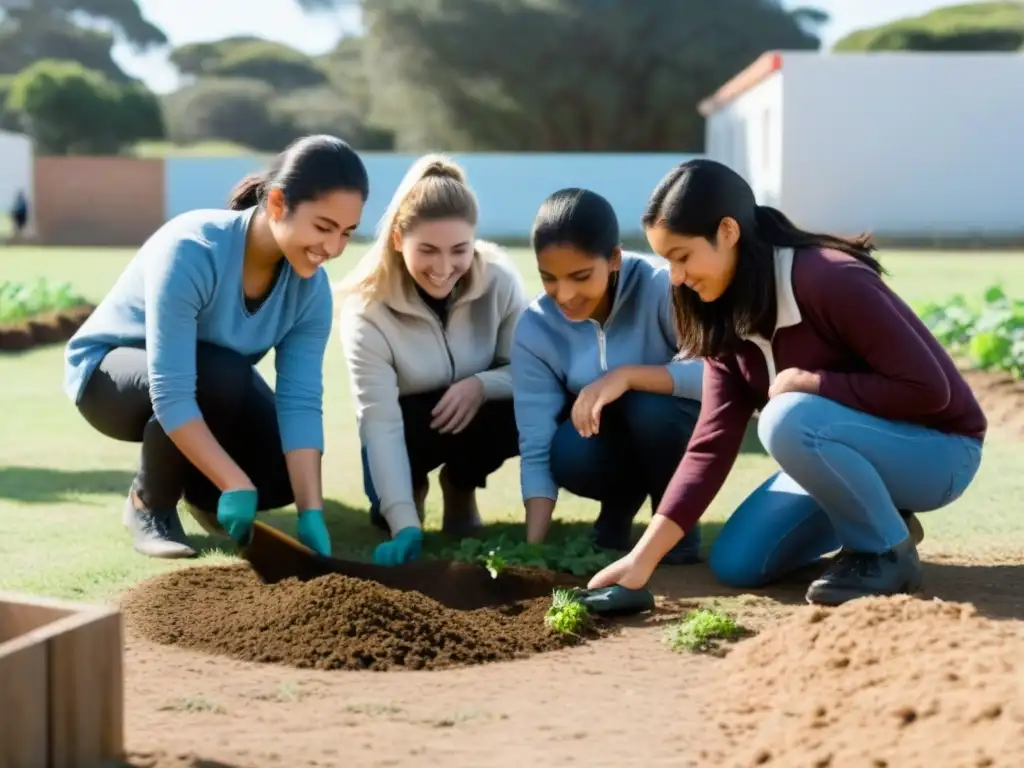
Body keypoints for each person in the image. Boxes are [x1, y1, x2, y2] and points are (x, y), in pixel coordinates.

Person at [588, 159, 987, 606]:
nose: (676, 277)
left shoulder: (829, 278)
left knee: (786, 418)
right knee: (739, 563)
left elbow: (931, 392)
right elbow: (711, 443)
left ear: (728, 231)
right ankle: (886, 521)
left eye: (682, 257)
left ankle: (886, 553)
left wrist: (814, 382)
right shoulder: (721, 313)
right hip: (840, 454)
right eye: (667, 261)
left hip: (940, 453)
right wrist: (643, 558)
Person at [63, 134, 369, 559]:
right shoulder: (192, 248)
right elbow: (171, 391)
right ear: (278, 204)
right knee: (222, 374)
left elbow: (299, 400)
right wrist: (234, 480)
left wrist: (310, 512)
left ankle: (204, 497)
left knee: (278, 475)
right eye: (322, 227)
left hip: (210, 384)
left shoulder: (312, 290)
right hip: (110, 380)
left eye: (347, 234)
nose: (333, 248)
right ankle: (148, 503)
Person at [335, 154, 527, 567]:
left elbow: (532, 373)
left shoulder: (500, 278)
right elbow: (379, 421)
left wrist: (481, 386)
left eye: (459, 249)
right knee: (392, 511)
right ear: (397, 239)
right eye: (427, 250)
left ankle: (460, 485)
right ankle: (411, 493)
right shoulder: (365, 310)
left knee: (522, 408)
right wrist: (403, 521)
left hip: (475, 414)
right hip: (404, 428)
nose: (443, 268)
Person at [511, 188, 705, 564]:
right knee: (566, 451)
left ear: (614, 258)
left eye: (581, 276)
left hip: (676, 430)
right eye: (548, 277)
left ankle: (677, 528)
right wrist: (532, 549)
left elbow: (716, 375)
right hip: (610, 442)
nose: (564, 294)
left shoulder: (664, 288)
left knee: (652, 409)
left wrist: (628, 376)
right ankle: (618, 508)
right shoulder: (536, 326)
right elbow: (535, 438)